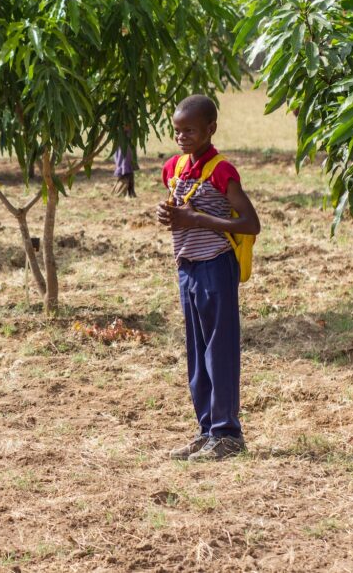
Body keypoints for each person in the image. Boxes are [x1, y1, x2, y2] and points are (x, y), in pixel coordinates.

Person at [156, 94, 260, 462]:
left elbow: (251, 223)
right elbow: (180, 208)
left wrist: (195, 220)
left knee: (220, 351)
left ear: (211, 129)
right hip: (187, 266)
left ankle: (228, 433)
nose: (182, 137)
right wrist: (169, 214)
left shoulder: (221, 171)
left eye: (190, 131)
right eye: (177, 131)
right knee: (197, 355)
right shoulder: (175, 168)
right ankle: (206, 430)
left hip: (216, 264)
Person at [112, 126, 137, 198]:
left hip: (127, 137)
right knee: (122, 159)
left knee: (127, 160)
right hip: (121, 137)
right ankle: (124, 190)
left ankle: (129, 191)